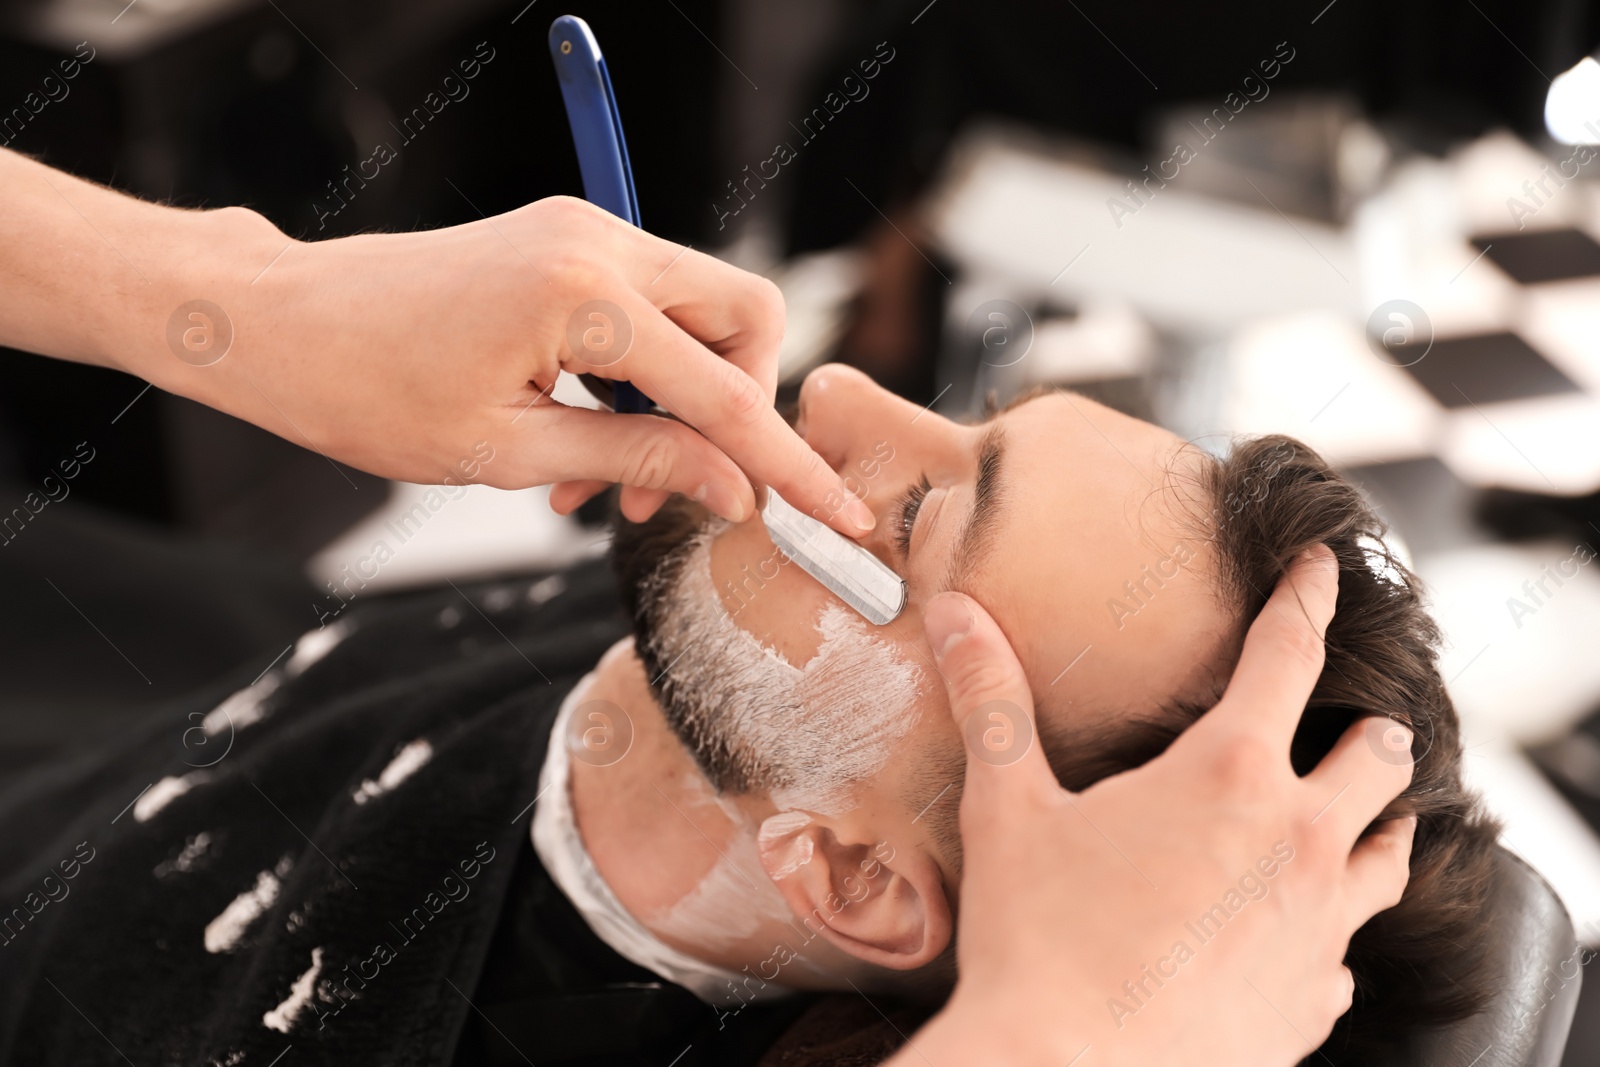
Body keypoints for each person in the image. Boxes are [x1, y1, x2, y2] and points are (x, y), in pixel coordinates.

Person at [0, 149, 1420, 1065]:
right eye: (973, 421)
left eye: (919, 518)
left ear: (855, 876)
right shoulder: (700, 677)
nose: (841, 390)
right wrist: (247, 296)